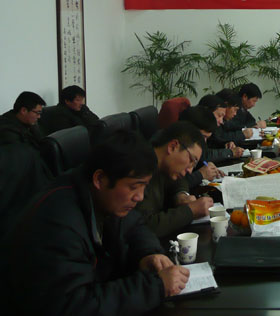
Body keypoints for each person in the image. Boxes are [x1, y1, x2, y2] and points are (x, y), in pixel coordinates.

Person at [4, 130, 190, 315]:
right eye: (134, 187)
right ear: (100, 179)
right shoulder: (57, 225)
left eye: (144, 186)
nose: (140, 197)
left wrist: (149, 254)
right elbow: (75, 305)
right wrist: (155, 287)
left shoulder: (101, 195)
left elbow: (135, 225)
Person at [135, 121, 214, 238]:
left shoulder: (165, 165)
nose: (190, 170)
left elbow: (179, 181)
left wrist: (181, 195)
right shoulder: (139, 169)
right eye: (191, 160)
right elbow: (144, 227)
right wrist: (190, 211)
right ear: (173, 147)